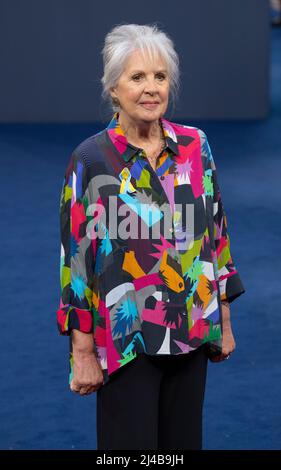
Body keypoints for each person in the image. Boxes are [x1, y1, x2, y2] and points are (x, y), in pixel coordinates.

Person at [56, 23, 245, 450]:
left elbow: (216, 235)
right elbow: (76, 263)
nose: (151, 88)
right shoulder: (91, 159)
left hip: (192, 328)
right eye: (137, 77)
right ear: (113, 89)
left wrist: (225, 322)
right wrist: (82, 353)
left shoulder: (197, 146)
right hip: (127, 340)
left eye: (160, 76)